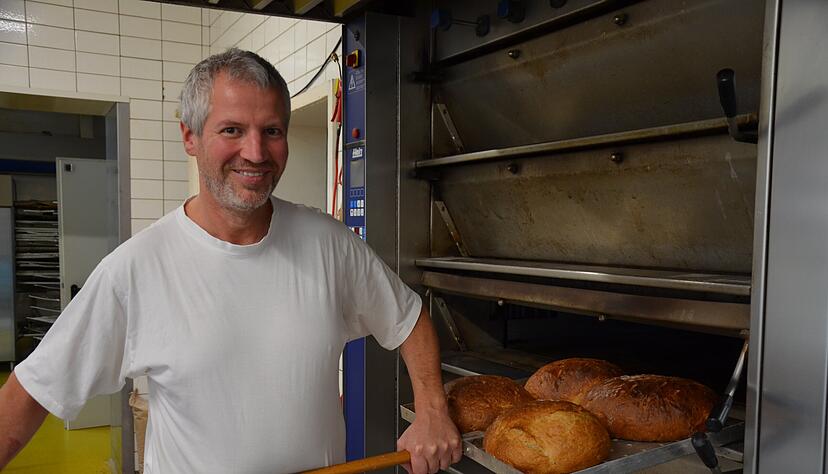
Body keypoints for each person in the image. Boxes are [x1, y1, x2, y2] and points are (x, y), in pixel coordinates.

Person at [0, 48, 461, 474]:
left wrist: (433, 411)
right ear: (190, 136)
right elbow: (33, 390)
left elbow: (409, 318)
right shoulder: (137, 269)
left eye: (272, 131)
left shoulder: (329, 244)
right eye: (232, 130)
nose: (256, 153)